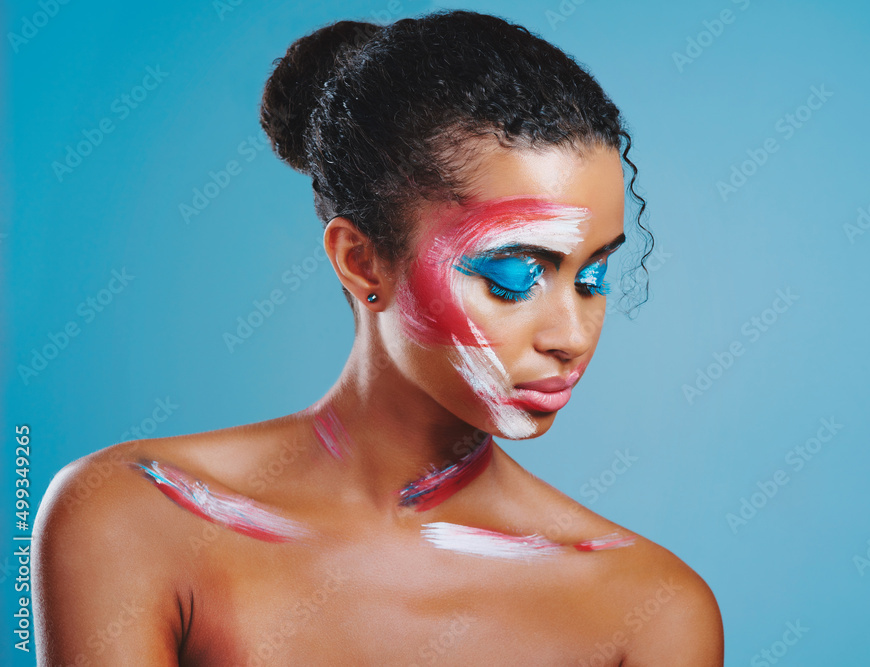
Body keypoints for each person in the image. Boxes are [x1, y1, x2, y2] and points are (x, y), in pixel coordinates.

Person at [33, 10, 723, 665]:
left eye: (592, 275)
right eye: (515, 276)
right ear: (361, 259)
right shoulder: (137, 514)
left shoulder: (650, 607)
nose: (571, 335)